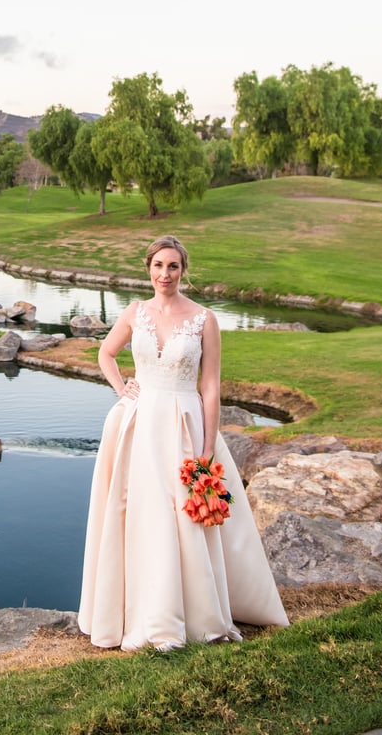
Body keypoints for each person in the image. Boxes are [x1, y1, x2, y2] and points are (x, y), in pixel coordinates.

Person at [78, 235, 288, 651]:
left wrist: (207, 449)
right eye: (158, 265)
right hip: (138, 426)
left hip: (183, 425)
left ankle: (190, 615)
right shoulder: (135, 312)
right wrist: (122, 388)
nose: (165, 274)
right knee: (141, 514)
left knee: (182, 516)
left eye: (173, 266)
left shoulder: (204, 319)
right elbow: (105, 354)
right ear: (148, 268)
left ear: (182, 270)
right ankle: (142, 614)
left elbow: (210, 387)